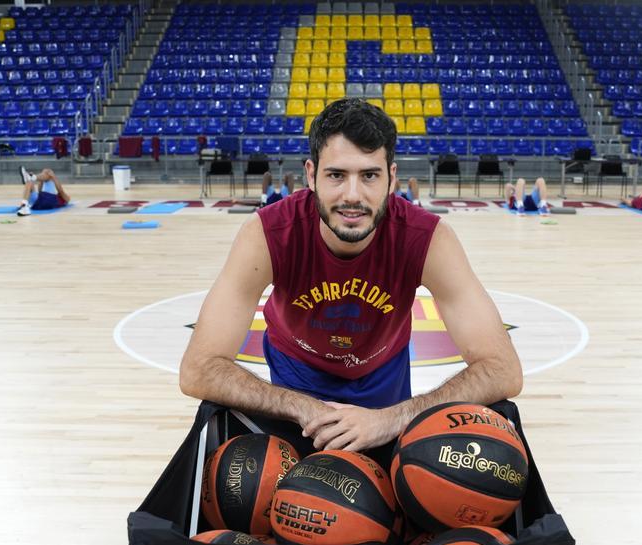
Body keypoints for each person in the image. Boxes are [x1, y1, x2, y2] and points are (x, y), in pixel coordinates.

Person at [179, 98, 522, 453]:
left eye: (369, 175)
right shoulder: (268, 233)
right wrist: (303, 407)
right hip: (296, 377)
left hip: (383, 377)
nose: (353, 195)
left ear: (392, 178)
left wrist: (393, 418)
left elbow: (503, 369)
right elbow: (198, 369)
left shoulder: (428, 238)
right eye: (337, 175)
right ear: (311, 175)